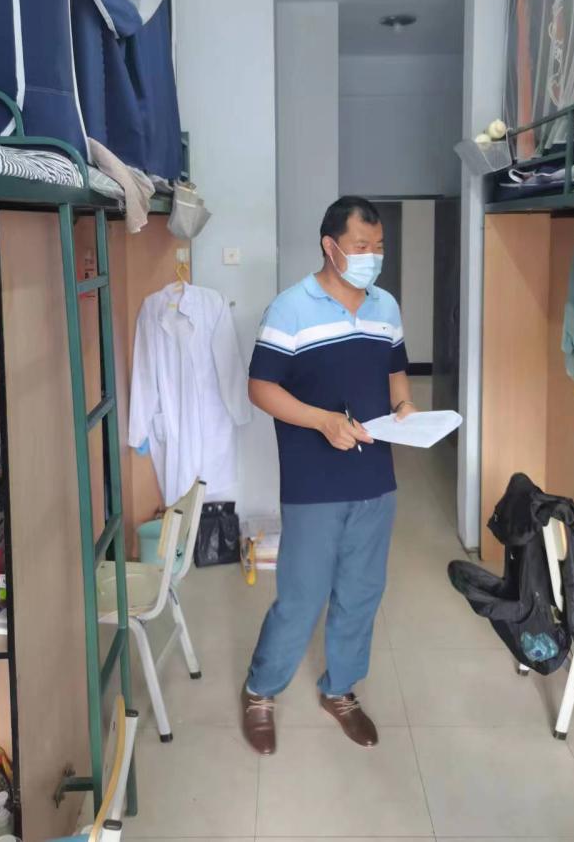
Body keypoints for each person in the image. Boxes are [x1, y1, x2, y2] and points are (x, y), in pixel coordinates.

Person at [241, 195, 416, 755]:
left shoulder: (386, 305)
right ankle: (261, 690)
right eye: (361, 246)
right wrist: (322, 421)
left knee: (362, 591)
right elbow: (261, 387)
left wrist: (405, 405)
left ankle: (339, 689)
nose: (372, 257)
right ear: (330, 247)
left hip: (375, 476)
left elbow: (395, 368)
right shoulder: (290, 308)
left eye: (379, 247)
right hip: (313, 479)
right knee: (302, 594)